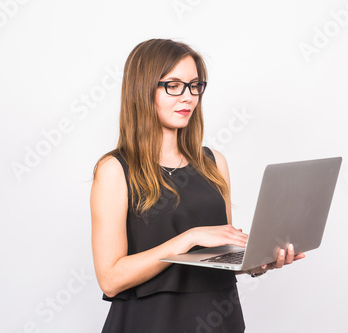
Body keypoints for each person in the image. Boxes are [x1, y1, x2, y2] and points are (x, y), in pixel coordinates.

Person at [90, 38, 305, 332]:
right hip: (150, 323)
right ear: (141, 90)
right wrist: (187, 239)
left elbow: (222, 255)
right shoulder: (115, 170)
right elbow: (110, 279)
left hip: (219, 320)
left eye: (194, 85)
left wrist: (259, 261)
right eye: (173, 85)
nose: (188, 97)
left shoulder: (214, 162)